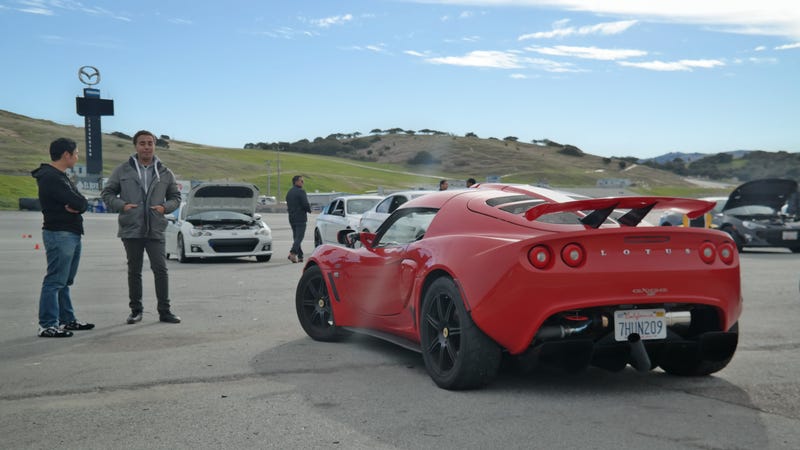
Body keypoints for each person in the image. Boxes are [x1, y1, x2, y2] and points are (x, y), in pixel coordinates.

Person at [101, 130, 181, 324]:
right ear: (135, 146)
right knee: (134, 271)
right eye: (142, 143)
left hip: (156, 228)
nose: (147, 146)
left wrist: (164, 208)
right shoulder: (123, 170)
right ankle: (136, 311)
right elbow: (107, 193)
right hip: (131, 228)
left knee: (161, 269)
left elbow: (176, 198)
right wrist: (123, 206)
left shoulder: (164, 171)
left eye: (150, 143)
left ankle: (165, 311)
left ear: (154, 145)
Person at [31, 138, 94, 337]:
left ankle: (67, 320)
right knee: (55, 280)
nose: (77, 157)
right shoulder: (52, 177)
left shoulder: (61, 176)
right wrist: (77, 204)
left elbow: (81, 203)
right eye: (75, 153)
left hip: (70, 233)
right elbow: (78, 202)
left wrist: (78, 204)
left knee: (64, 281)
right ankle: (48, 324)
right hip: (60, 233)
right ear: (66, 155)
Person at [286, 175, 311, 263]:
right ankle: (293, 253)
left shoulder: (289, 192)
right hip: (300, 218)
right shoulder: (301, 191)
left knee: (296, 237)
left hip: (291, 218)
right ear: (296, 182)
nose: (302, 183)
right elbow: (305, 204)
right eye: (301, 181)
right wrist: (309, 210)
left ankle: (300, 256)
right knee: (300, 237)